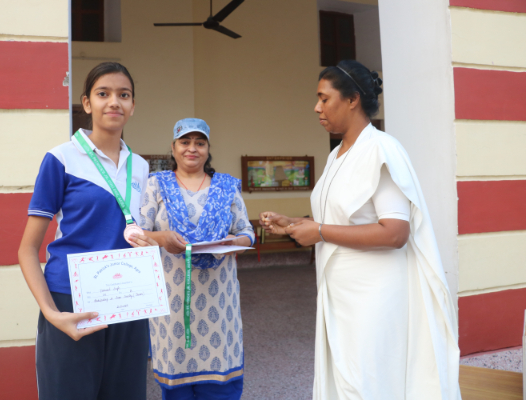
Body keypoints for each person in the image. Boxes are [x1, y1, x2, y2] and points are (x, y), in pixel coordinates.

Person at [259, 60, 461, 400]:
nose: (317, 107)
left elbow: (395, 233)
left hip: (373, 299)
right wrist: (293, 223)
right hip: (339, 293)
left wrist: (319, 231)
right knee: (345, 381)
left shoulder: (381, 149)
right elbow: (340, 219)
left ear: (352, 99)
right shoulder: (337, 155)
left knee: (367, 384)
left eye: (324, 98)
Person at [18, 62, 157, 400]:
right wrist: (52, 313)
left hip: (127, 301)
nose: (114, 102)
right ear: (87, 103)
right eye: (103, 93)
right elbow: (27, 249)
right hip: (71, 301)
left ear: (133, 106)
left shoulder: (140, 166)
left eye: (124, 95)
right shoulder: (61, 159)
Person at [139, 118, 254, 400]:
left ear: (208, 148)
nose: (192, 148)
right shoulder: (156, 185)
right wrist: (162, 238)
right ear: (173, 147)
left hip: (219, 301)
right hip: (172, 302)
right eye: (185, 142)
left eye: (200, 143)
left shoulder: (226, 187)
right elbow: (138, 233)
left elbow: (247, 232)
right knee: (176, 386)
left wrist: (234, 242)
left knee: (221, 388)